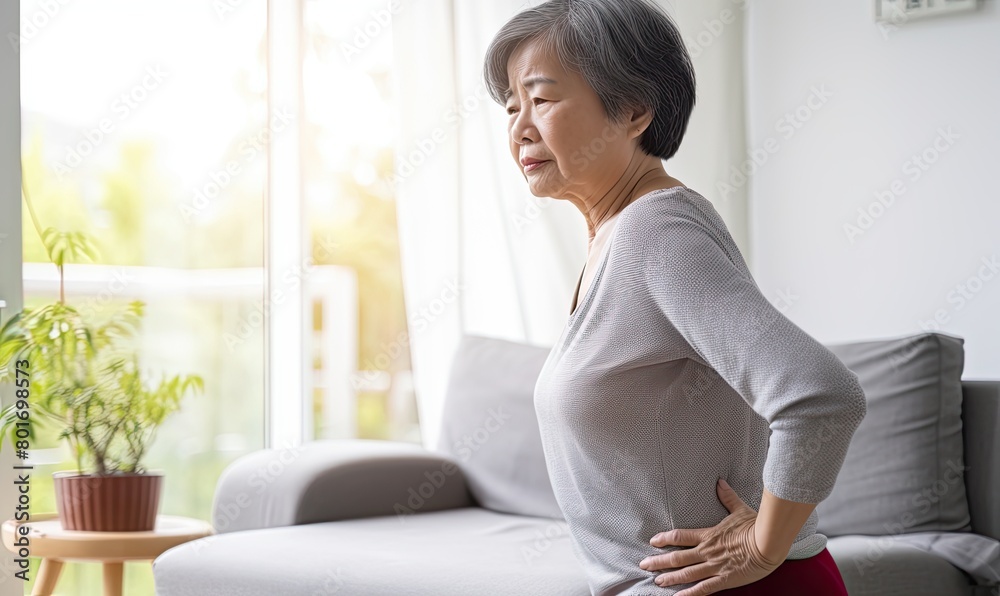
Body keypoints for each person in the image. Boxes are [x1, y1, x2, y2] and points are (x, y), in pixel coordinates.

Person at [482, 1, 868, 594]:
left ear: (633, 110)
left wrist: (764, 546)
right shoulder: (615, 238)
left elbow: (820, 394)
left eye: (542, 99)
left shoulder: (653, 233)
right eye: (511, 106)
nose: (519, 128)